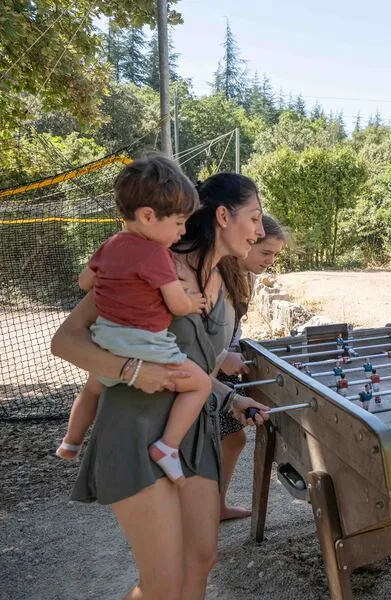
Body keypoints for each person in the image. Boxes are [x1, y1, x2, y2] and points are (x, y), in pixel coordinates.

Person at [51, 168, 271, 600]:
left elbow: (194, 369)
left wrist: (229, 399)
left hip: (193, 435)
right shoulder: (152, 261)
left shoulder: (225, 281)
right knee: (163, 585)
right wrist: (131, 369)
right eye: (256, 217)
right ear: (224, 217)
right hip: (136, 429)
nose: (261, 231)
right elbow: (66, 340)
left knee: (201, 559)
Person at [55, 155, 211, 487]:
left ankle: (71, 441)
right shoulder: (156, 254)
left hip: (106, 339)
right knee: (200, 385)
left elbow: (86, 282)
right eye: (179, 222)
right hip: (145, 344)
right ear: (148, 216)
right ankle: (167, 447)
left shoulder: (110, 245)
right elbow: (177, 305)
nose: (182, 231)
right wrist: (193, 301)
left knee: (92, 388)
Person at [213, 213, 289, 521]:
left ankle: (214, 506)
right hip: (203, 370)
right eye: (265, 252)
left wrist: (231, 350)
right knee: (218, 440)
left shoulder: (245, 277)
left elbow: (233, 328)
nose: (270, 260)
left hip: (221, 367)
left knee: (233, 438)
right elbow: (193, 336)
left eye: (275, 255)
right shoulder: (215, 277)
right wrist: (221, 356)